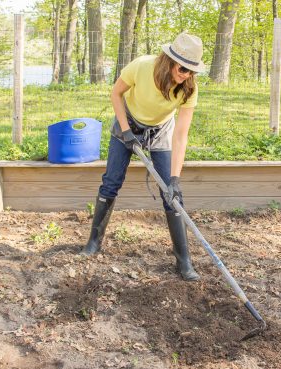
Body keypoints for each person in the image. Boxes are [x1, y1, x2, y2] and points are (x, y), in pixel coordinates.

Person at [80, 32, 205, 281]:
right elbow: (116, 94)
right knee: (111, 181)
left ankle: (184, 261)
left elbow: (181, 135)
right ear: (170, 61)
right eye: (183, 69)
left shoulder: (188, 90)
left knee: (171, 195)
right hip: (127, 124)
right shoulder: (141, 66)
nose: (186, 75)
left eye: (192, 71)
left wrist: (175, 178)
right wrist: (126, 132)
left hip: (161, 131)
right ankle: (93, 243)